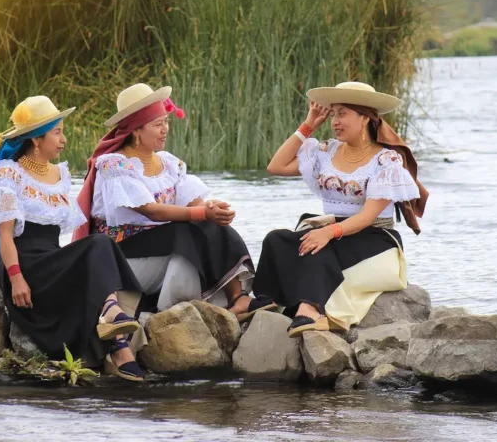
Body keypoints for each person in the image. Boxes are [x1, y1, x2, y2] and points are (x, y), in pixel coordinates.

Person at [0, 95, 146, 381]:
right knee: (99, 244)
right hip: (27, 267)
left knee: (101, 244)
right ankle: (117, 336)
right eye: (57, 132)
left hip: (50, 259)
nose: (64, 140)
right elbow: (4, 234)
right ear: (37, 140)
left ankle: (116, 334)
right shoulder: (9, 173)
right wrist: (16, 278)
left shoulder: (59, 175)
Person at [73, 83, 276, 319]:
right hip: (125, 251)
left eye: (166, 122)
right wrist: (201, 214)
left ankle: (238, 297)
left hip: (162, 243)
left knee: (209, 225)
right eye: (157, 124)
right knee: (186, 232)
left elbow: (194, 204)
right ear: (136, 131)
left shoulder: (168, 163)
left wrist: (211, 208)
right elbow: (152, 211)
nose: (165, 129)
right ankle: (174, 311)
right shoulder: (115, 165)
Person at [251, 82, 428, 337]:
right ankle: (268, 298)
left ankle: (312, 309)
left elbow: (368, 217)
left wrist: (328, 233)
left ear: (365, 117)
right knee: (277, 239)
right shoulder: (326, 150)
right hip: (334, 230)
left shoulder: (386, 160)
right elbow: (276, 166)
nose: (335, 121)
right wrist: (309, 124)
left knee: (318, 246)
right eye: (333, 114)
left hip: (374, 237)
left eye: (342, 113)